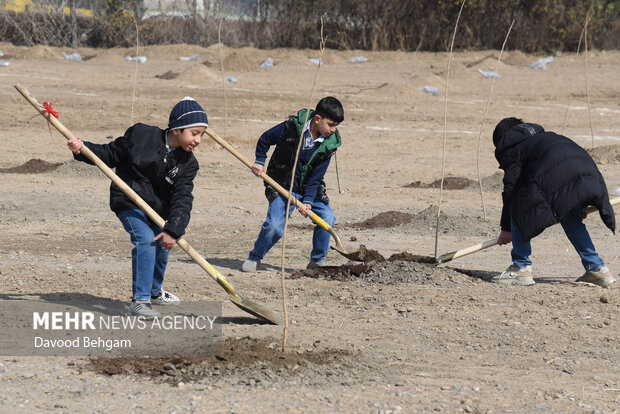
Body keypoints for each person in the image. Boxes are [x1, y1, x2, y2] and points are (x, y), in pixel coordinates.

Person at [67, 97, 208, 317]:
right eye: (195, 133)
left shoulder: (188, 164)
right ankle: (140, 301)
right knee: (145, 240)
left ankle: (154, 292)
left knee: (162, 246)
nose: (198, 140)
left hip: (157, 210)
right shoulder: (141, 135)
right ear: (177, 129)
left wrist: (173, 229)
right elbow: (110, 153)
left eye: (202, 134)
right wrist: (82, 149)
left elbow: (183, 197)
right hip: (128, 200)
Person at [491, 117, 616, 286]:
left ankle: (521, 267)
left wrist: (507, 229)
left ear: (502, 140)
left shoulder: (514, 148)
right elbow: (570, 170)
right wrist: (577, 203)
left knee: (518, 203)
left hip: (558, 176)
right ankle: (597, 269)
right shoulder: (545, 138)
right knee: (570, 216)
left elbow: (511, 189)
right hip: (587, 174)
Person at [241, 96, 344, 272]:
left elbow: (315, 178)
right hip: (282, 185)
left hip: (309, 190)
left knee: (327, 218)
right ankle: (255, 256)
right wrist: (259, 160)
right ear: (317, 119)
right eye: (330, 124)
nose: (333, 130)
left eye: (336, 126)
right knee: (274, 226)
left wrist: (309, 202)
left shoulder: (329, 144)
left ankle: (317, 260)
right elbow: (265, 139)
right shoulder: (291, 127)